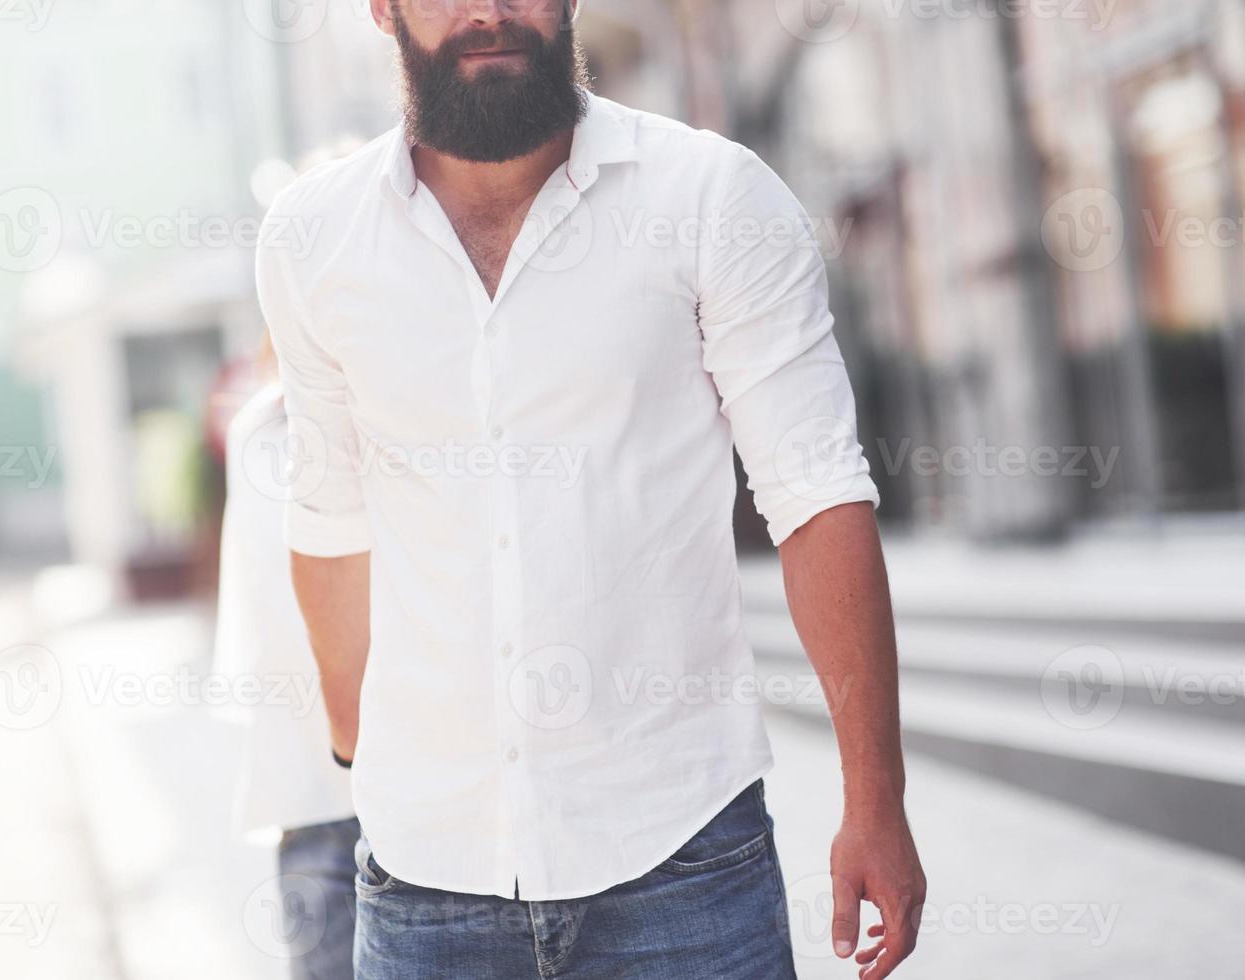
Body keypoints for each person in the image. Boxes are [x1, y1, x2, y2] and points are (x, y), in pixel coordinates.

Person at [255, 1, 926, 977]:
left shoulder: (710, 196)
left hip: (683, 859)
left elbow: (816, 491)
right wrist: (371, 762)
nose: (487, 11)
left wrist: (875, 801)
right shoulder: (311, 237)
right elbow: (329, 514)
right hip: (421, 881)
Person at [214, 371, 359, 980]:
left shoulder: (413, 404)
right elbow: (254, 619)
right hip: (308, 802)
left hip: (416, 803)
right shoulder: (258, 427)